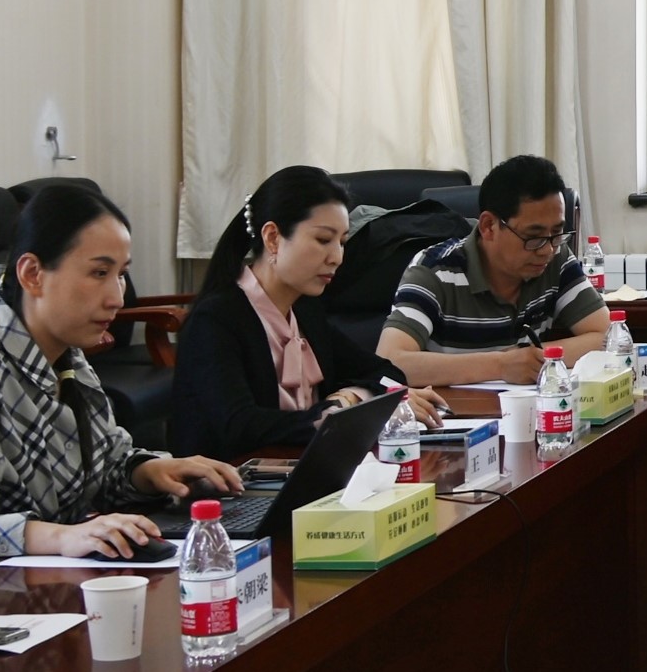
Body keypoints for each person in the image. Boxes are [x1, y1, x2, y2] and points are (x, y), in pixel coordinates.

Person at [0, 180, 246, 559]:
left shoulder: (69, 359)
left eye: (121, 274)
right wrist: (62, 537)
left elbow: (103, 466)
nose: (117, 298)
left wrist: (149, 472)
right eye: (99, 273)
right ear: (32, 274)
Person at [169, 165, 446, 461]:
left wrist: (349, 398)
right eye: (323, 240)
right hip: (233, 482)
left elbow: (386, 372)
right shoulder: (216, 320)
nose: (337, 257)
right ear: (273, 238)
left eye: (342, 242)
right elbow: (241, 427)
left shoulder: (304, 310)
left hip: (305, 467)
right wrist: (339, 411)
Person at [378, 153, 611, 388]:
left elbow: (608, 335)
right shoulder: (434, 270)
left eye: (557, 232)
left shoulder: (556, 258)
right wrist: (500, 365)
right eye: (533, 236)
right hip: (453, 409)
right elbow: (390, 361)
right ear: (489, 226)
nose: (547, 249)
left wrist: (532, 357)